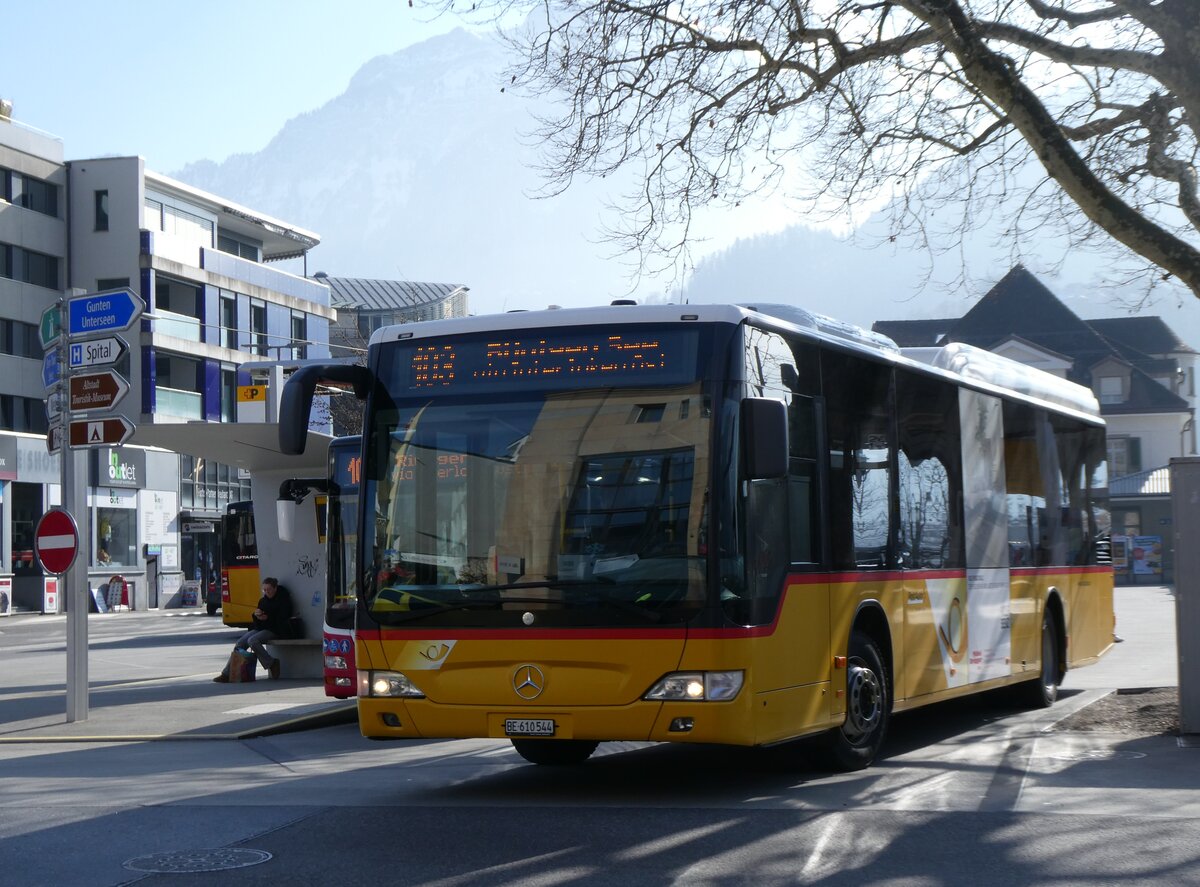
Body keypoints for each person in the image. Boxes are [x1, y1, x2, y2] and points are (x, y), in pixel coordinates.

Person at [213, 577, 292, 682]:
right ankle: (227, 673)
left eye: (269, 589)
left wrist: (267, 618)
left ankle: (271, 663)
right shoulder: (263, 601)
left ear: (275, 588)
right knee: (240, 643)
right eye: (264, 590)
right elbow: (257, 623)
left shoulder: (283, 601)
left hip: (276, 629)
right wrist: (257, 616)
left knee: (252, 640)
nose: (266, 592)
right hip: (262, 627)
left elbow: (282, 619)